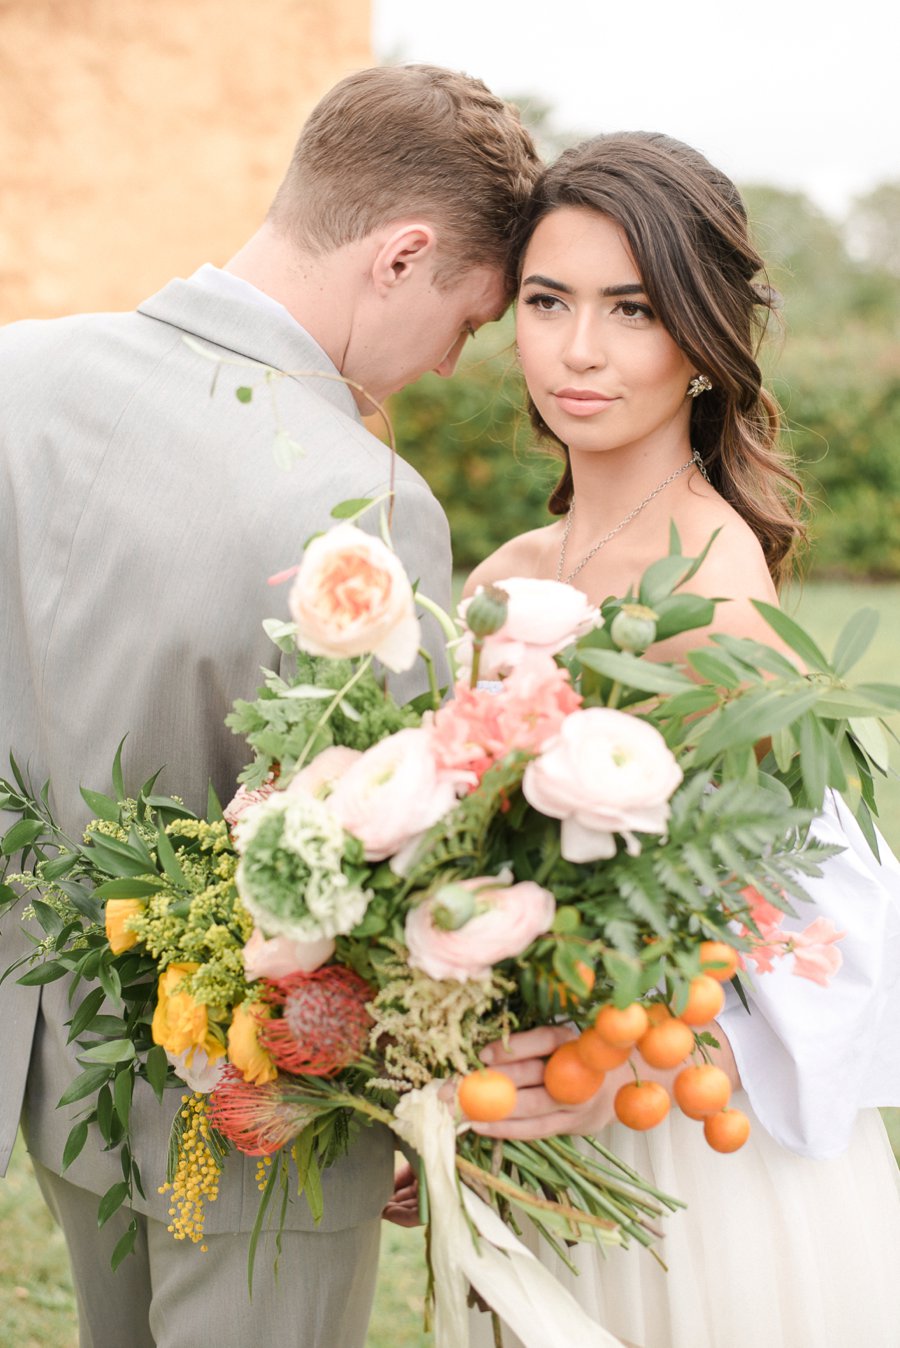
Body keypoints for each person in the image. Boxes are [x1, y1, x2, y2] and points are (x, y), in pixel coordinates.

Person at [0, 64, 540, 1348]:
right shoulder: (365, 501)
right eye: (468, 322)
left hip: (45, 1050)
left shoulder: (17, 375)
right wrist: (417, 1082)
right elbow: (383, 851)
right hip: (257, 1107)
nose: (451, 363)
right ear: (403, 255)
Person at [461, 132, 900, 1347]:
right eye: (548, 302)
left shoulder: (715, 587)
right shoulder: (507, 577)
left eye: (632, 308)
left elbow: (808, 918)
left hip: (684, 1156)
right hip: (543, 1128)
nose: (579, 350)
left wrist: (607, 1067)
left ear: (703, 345)